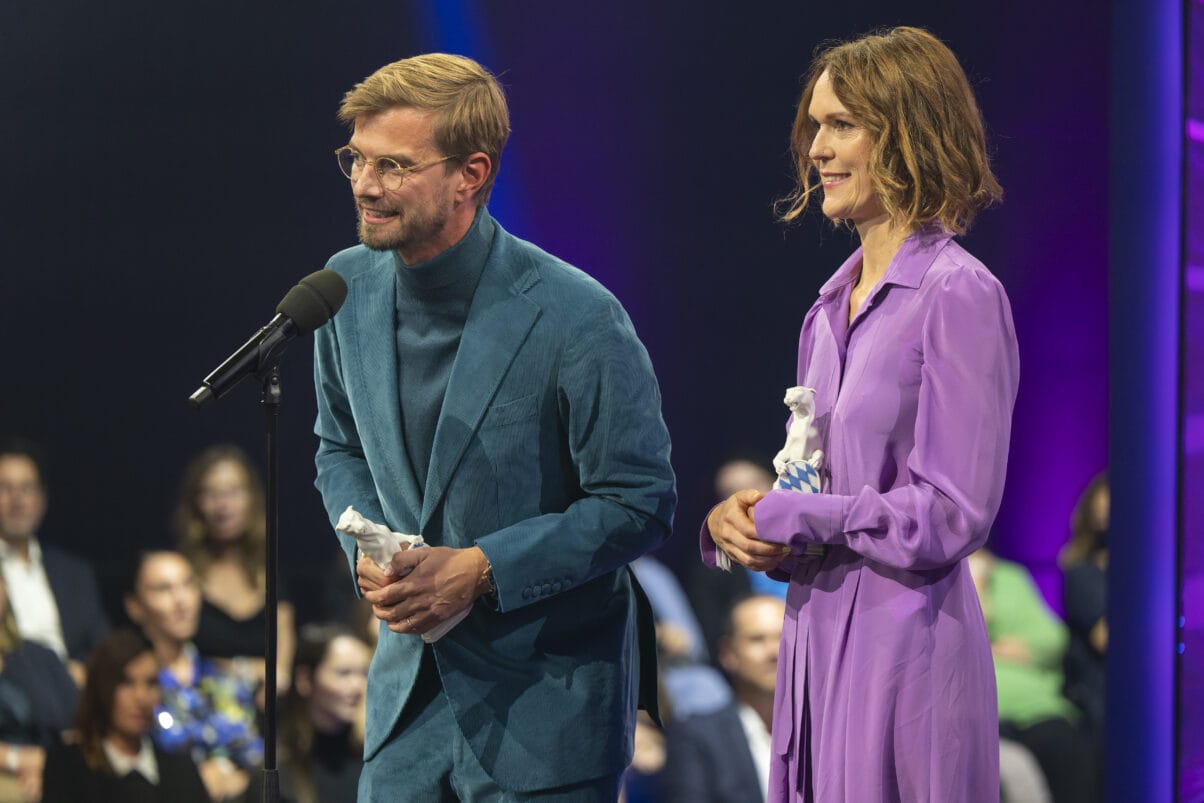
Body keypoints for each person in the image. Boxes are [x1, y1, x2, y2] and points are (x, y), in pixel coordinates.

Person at [312, 53, 675, 801]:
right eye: (355, 157)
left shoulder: (580, 315)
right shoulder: (342, 288)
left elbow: (639, 501)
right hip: (403, 713)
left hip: (547, 713)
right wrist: (367, 555)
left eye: (393, 165)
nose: (365, 184)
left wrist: (480, 568)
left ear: (470, 174)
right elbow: (337, 445)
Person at [702, 26, 1018, 801]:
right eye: (814, 125)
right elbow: (807, 481)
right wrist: (742, 524)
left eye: (842, 124)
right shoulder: (824, 310)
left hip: (906, 651)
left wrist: (803, 519)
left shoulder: (958, 294)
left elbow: (952, 512)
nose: (815, 147)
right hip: (814, 639)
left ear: (909, 135)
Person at [123, 550, 262, 802]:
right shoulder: (128, 687)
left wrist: (236, 777)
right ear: (135, 606)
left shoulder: (223, 679)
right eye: (163, 589)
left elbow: (255, 757)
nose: (181, 600)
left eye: (188, 584)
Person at [969, 549, 1096, 802]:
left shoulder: (1010, 576)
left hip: (1036, 709)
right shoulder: (940, 578)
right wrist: (978, 587)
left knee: (1070, 751)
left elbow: (1052, 640)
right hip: (979, 714)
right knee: (1015, 772)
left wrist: (991, 649)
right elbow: (962, 643)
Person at [174, 444, 295, 695]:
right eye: (211, 494)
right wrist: (247, 669)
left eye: (233, 492)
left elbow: (281, 672)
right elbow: (175, 661)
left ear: (252, 498)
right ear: (195, 503)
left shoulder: (271, 570)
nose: (223, 506)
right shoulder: (182, 574)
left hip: (267, 711)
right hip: (196, 708)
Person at [41, 628, 210, 803]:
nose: (141, 698)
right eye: (126, 683)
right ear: (102, 687)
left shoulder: (181, 768)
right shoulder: (67, 768)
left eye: (151, 683)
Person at [0, 438, 109, 686]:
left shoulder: (74, 572)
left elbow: (101, 647)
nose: (17, 500)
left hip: (72, 697)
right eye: (5, 488)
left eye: (27, 488)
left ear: (42, 500)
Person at [664, 594, 786, 803]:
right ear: (728, 652)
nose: (774, 651)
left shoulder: (827, 731)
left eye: (783, 638)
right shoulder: (696, 738)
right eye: (757, 639)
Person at [0, 574, 78, 803]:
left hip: (54, 770)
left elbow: (79, 728)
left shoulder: (40, 657)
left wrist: (51, 769)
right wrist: (17, 760)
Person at [278, 623, 371, 803]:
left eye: (364, 673)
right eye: (344, 673)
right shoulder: (278, 770)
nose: (358, 686)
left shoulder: (374, 763)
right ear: (304, 679)